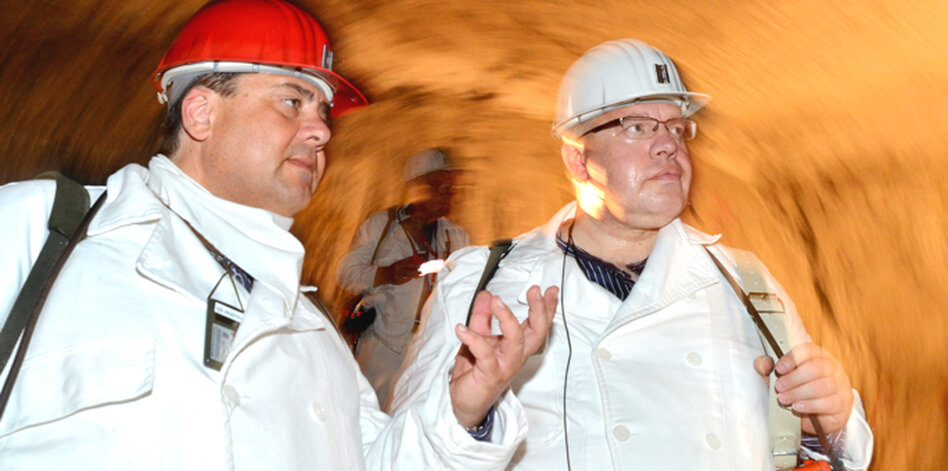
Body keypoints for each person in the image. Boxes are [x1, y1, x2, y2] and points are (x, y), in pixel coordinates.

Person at [0, 1, 558, 469]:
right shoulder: (43, 234)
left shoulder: (314, 337)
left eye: (323, 112)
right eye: (293, 101)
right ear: (200, 113)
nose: (321, 131)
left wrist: (463, 411)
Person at [390, 39, 874, 470]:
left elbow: (811, 448)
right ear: (578, 159)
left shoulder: (747, 282)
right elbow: (396, 460)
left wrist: (830, 423)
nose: (668, 145)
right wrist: (465, 416)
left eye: (677, 128)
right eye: (637, 127)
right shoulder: (483, 286)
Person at [337, 148, 469, 405]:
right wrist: (385, 274)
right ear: (416, 187)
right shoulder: (381, 226)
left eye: (450, 186)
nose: (447, 193)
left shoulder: (456, 236)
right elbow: (345, 273)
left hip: (430, 348)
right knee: (374, 411)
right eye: (437, 185)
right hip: (384, 348)